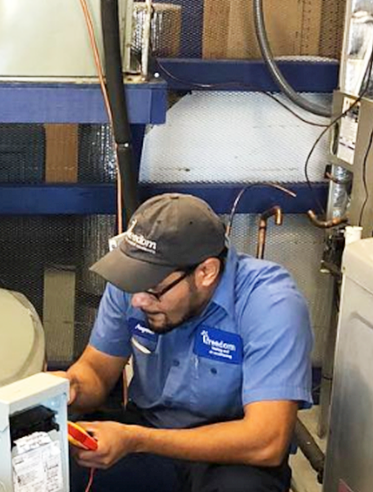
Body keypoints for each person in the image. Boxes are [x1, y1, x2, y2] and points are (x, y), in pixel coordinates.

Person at [62, 193, 313, 492]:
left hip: (232, 452)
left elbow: (267, 441)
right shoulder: (134, 285)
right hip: (148, 431)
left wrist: (135, 440)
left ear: (206, 272)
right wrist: (71, 386)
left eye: (154, 288)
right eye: (135, 284)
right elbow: (98, 370)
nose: (139, 300)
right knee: (52, 465)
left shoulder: (270, 303)